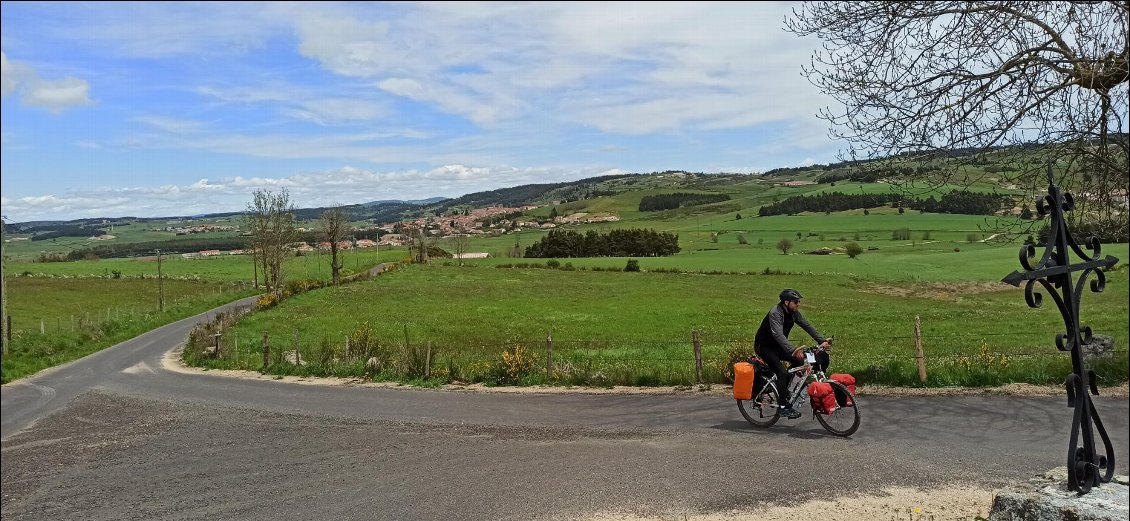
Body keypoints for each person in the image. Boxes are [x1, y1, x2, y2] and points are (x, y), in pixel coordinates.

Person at [754, 288, 830, 419]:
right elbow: (778, 335)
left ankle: (784, 389)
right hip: (765, 347)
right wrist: (792, 350)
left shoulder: (794, 312)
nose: (798, 304)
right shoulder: (775, 313)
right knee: (782, 372)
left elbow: (806, 325)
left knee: (799, 362)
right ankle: (783, 407)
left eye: (799, 301)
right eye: (796, 302)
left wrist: (821, 340)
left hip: (779, 346)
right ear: (786, 302)